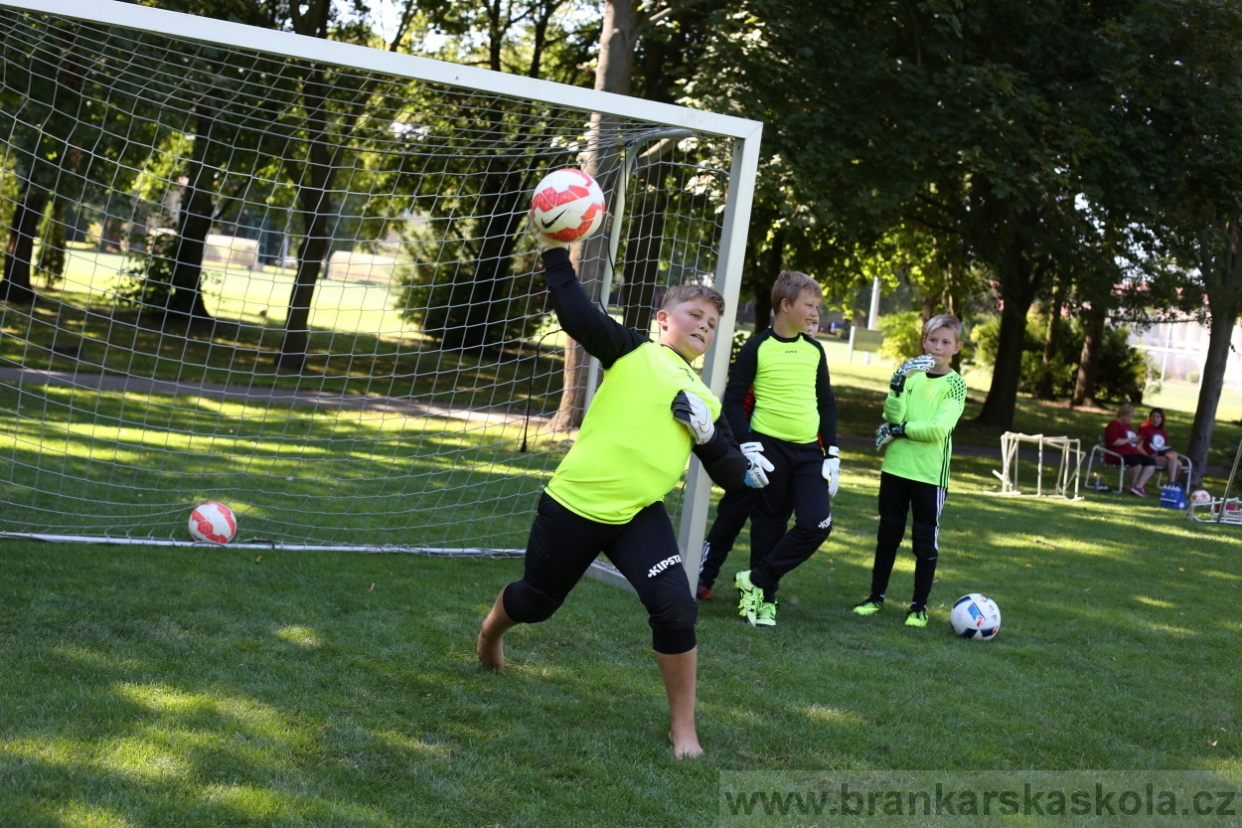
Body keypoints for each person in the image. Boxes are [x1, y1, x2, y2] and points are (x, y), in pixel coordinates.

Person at [475, 242, 768, 760]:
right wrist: (555, 252)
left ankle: (684, 728)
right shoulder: (634, 350)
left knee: (677, 609)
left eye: (712, 322)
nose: (704, 325)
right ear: (663, 319)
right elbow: (577, 314)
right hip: (574, 505)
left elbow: (731, 476)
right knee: (536, 603)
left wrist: (711, 439)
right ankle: (491, 631)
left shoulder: (706, 398)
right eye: (694, 313)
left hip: (637, 516)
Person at [704, 270, 840, 628]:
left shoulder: (815, 349)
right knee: (769, 525)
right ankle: (764, 600)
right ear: (785, 305)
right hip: (768, 449)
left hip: (809, 452)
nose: (815, 312)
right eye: (809, 305)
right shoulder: (757, 346)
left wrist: (834, 453)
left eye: (816, 305)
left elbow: (825, 402)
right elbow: (733, 400)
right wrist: (748, 445)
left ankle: (754, 578)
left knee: (817, 524)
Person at [852, 314, 967, 628]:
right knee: (888, 535)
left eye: (945, 342)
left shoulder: (956, 384)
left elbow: (938, 429)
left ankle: (919, 607)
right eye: (933, 340)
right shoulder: (911, 375)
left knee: (924, 542)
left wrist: (900, 429)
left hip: (929, 476)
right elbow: (892, 414)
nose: (938, 347)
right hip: (896, 468)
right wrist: (896, 384)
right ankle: (876, 597)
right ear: (924, 342)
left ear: (956, 347)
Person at [1104, 403, 1158, 496]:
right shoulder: (1114, 425)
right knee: (1136, 462)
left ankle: (1138, 486)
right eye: (1129, 416)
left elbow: (1131, 442)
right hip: (1118, 453)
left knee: (1151, 462)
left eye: (1132, 416)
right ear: (1122, 414)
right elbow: (1114, 442)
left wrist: (1138, 442)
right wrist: (1130, 439)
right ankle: (1131, 485)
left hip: (1131, 451)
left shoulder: (1128, 426)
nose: (1130, 419)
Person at [1138, 407, 1184, 488]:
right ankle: (1171, 485)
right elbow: (1138, 446)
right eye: (1153, 416)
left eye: (1158, 417)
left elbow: (1163, 446)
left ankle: (1170, 485)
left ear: (1162, 419)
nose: (1155, 419)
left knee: (1178, 462)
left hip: (1161, 455)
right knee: (1177, 463)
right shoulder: (1144, 428)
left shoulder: (1162, 431)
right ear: (1150, 417)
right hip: (1149, 456)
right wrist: (1147, 456)